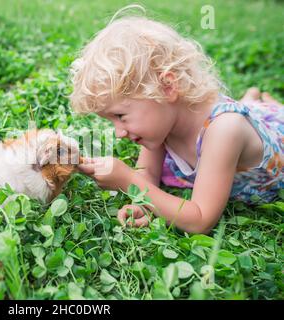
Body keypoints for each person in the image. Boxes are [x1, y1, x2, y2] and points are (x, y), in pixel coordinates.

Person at [69, 7, 283, 234]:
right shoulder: (161, 123)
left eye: (120, 116)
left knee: (255, 116)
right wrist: (143, 204)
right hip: (238, 126)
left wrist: (127, 180)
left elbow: (200, 220)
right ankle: (252, 100)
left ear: (167, 88)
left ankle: (258, 103)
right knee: (250, 110)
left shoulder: (224, 130)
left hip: (276, 135)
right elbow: (148, 174)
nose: (119, 132)